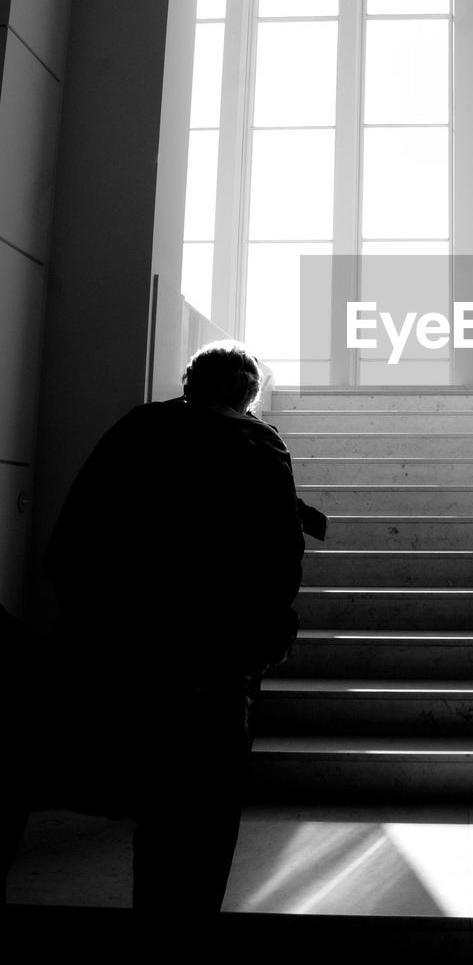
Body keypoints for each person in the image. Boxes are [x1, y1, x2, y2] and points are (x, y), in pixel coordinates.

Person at [36, 340, 325, 914]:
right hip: (212, 662)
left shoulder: (136, 428)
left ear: (190, 382)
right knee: (195, 832)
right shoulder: (256, 440)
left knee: (122, 779)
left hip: (116, 648)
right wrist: (263, 640)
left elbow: (70, 540)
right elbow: (277, 556)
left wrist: (90, 624)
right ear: (248, 394)